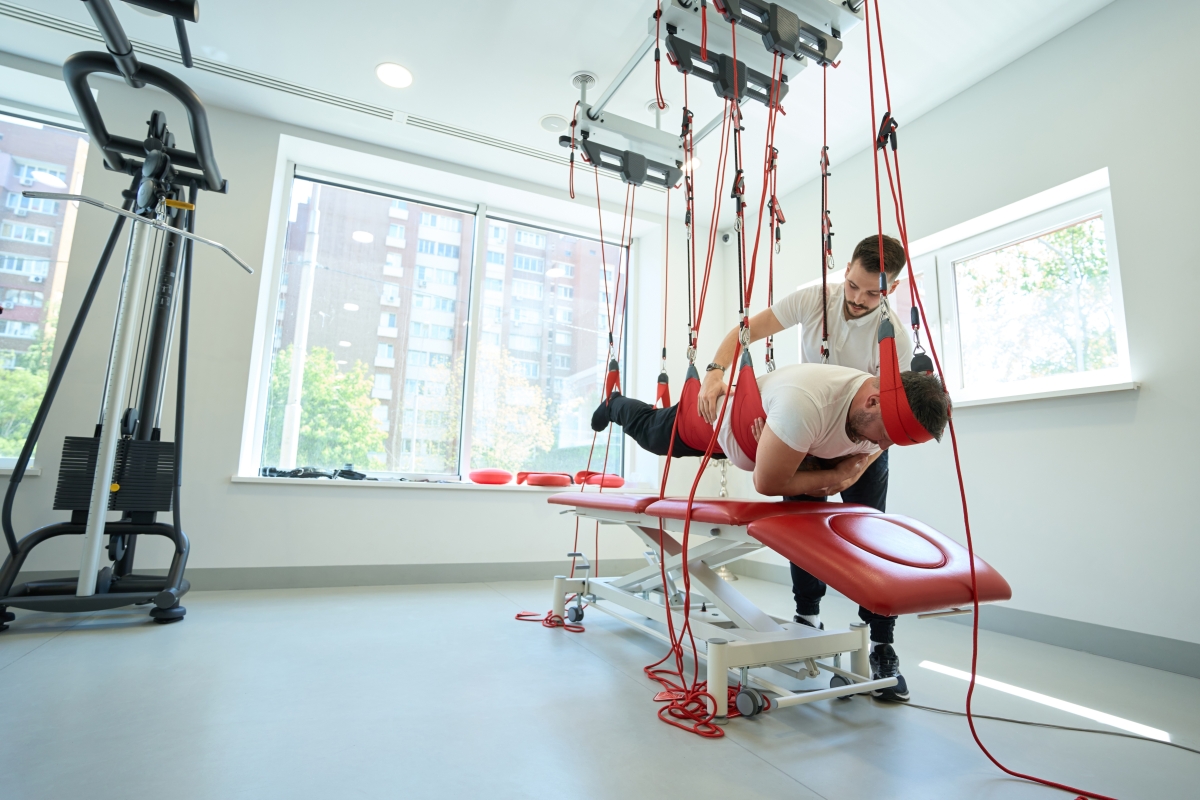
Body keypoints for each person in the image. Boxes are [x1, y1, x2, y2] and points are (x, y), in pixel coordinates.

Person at [699, 233, 920, 701]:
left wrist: (855, 467)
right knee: (802, 530)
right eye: (855, 285)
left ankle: (882, 643)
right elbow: (745, 332)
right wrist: (715, 371)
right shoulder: (813, 298)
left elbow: (888, 421)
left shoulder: (896, 339)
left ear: (892, 290)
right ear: (846, 271)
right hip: (808, 426)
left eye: (873, 293)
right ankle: (806, 620)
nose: (859, 300)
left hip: (862, 444)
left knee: (869, 539)